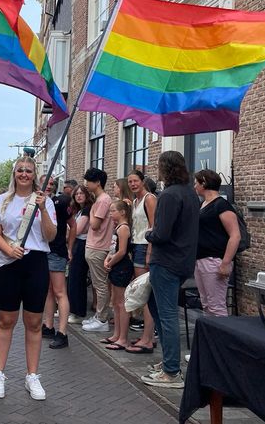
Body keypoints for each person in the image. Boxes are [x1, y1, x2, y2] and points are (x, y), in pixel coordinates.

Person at [0, 156, 56, 400]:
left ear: (35, 174)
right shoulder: (1, 201)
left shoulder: (43, 201)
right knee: (6, 319)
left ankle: (32, 376)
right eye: (20, 170)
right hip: (9, 263)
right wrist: (7, 249)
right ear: (14, 173)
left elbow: (50, 235)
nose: (24, 174)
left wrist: (44, 208)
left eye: (28, 170)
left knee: (34, 323)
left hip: (36, 264)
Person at [141, 151, 199, 389]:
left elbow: (161, 234)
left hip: (166, 262)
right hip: (183, 261)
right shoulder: (190, 194)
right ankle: (168, 362)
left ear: (165, 169)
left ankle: (172, 372)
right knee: (157, 309)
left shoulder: (169, 195)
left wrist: (147, 234)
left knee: (166, 315)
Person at [193, 169, 240, 316]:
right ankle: (210, 338)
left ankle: (221, 339)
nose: (194, 186)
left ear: (204, 183)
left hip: (214, 260)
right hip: (201, 259)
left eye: (196, 183)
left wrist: (225, 263)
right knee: (206, 304)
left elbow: (235, 235)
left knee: (216, 306)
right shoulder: (203, 204)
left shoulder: (221, 205)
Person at [41, 177, 76, 349]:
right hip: (41, 251)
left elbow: (73, 224)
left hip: (56, 252)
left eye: (51, 184)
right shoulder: (35, 200)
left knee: (60, 292)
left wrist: (70, 248)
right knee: (48, 291)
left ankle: (62, 333)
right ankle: (48, 326)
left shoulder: (61, 202)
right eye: (45, 183)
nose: (48, 186)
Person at [126, 170, 157, 354]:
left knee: (144, 293)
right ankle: (148, 335)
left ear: (142, 181)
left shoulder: (149, 199)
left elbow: (154, 225)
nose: (132, 184)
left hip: (145, 246)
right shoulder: (136, 201)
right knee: (142, 292)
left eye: (135, 181)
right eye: (130, 182)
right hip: (136, 245)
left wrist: (150, 251)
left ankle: (148, 338)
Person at [82, 167, 115, 332]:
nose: (86, 184)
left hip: (98, 246)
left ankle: (102, 319)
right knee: (98, 283)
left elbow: (94, 225)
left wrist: (91, 210)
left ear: (97, 182)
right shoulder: (101, 199)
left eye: (88, 181)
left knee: (100, 284)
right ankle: (100, 316)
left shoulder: (102, 200)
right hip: (95, 246)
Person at [100, 200, 134, 351]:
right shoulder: (118, 227)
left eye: (113, 210)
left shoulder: (123, 228)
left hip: (121, 267)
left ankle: (123, 338)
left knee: (121, 303)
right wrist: (107, 259)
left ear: (122, 212)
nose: (110, 213)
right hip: (115, 265)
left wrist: (111, 262)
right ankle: (116, 334)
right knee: (115, 301)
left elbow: (122, 251)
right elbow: (113, 248)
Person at [66, 185, 94, 324]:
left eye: (81, 193)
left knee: (77, 278)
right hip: (77, 243)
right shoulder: (79, 210)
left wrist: (68, 231)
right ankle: (72, 309)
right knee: (72, 277)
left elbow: (77, 230)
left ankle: (77, 312)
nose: (78, 196)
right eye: (76, 194)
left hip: (82, 244)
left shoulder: (87, 210)